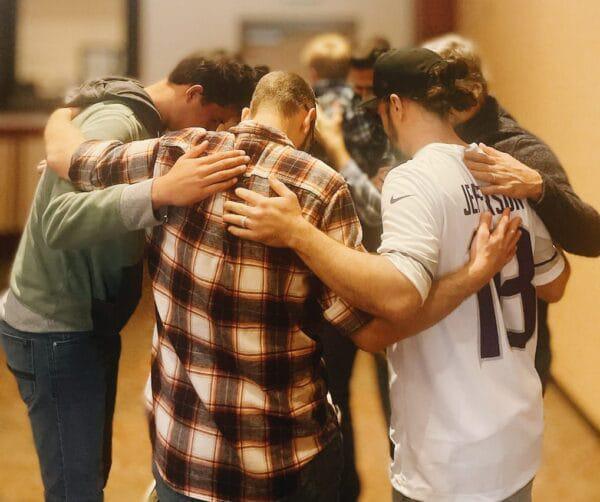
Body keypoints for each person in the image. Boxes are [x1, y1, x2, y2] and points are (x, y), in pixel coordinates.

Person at [44, 69, 518, 502]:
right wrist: (471, 275)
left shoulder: (176, 152)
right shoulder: (320, 186)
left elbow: (68, 156)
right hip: (287, 457)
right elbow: (373, 331)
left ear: (247, 112)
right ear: (308, 120)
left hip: (186, 455)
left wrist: (64, 110)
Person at [223, 49, 570, 501]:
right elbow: (555, 284)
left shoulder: (412, 179)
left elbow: (397, 296)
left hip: (448, 452)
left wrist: (298, 231)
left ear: (396, 106)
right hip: (517, 437)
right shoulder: (507, 172)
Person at [0, 55, 257, 501]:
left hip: (82, 320)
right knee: (75, 488)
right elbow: (58, 220)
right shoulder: (120, 120)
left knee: (89, 473)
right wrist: (160, 192)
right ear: (194, 93)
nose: (213, 132)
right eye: (215, 119)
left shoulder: (147, 127)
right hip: (56, 326)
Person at [423, 34, 600, 389]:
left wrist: (538, 185)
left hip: (513, 354)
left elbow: (592, 236)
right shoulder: (429, 145)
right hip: (447, 346)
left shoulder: (518, 150)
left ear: (475, 89)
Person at [302, 33, 395, 501]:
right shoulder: (379, 114)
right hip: (386, 267)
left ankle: (344, 488)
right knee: (396, 389)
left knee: (332, 391)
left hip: (330, 272)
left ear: (313, 72)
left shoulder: (308, 114)